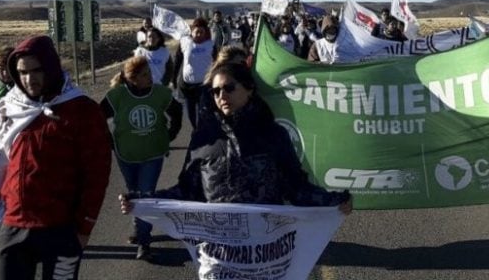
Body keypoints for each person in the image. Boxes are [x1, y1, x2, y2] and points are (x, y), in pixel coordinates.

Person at [119, 62, 351, 227]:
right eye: (216, 91)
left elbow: (297, 188)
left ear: (249, 89)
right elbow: (187, 191)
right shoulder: (203, 139)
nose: (221, 95)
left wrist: (335, 201)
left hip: (266, 248)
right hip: (218, 252)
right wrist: (141, 200)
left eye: (229, 87)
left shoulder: (273, 134)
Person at [0, 35, 112, 280]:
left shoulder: (82, 109)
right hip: (15, 223)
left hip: (62, 228)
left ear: (51, 66)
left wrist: (85, 225)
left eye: (36, 70)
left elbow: (97, 172)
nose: (29, 79)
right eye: (22, 72)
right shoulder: (9, 106)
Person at [101, 56, 182, 260]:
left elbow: (177, 110)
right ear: (132, 79)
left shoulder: (160, 93)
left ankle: (144, 242)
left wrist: (171, 133)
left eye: (149, 73)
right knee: (134, 193)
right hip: (126, 154)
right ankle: (139, 229)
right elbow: (97, 116)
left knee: (146, 193)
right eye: (145, 75)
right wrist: (109, 140)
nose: (150, 77)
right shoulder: (117, 95)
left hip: (153, 154)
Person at [174, 18, 215, 129]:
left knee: (204, 109)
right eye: (196, 32)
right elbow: (178, 60)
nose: (198, 35)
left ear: (205, 32)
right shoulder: (185, 42)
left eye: (201, 32)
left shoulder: (211, 45)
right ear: (191, 32)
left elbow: (217, 62)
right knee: (190, 110)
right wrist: (173, 78)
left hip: (204, 85)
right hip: (187, 85)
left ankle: (202, 129)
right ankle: (194, 128)